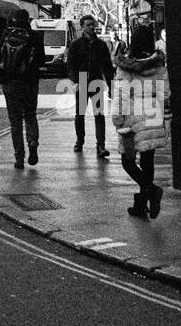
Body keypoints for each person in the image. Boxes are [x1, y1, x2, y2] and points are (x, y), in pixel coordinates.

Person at [111, 22, 168, 219]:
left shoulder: (125, 66)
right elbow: (165, 92)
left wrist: (118, 120)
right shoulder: (158, 64)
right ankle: (141, 204)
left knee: (127, 161)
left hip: (132, 118)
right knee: (147, 160)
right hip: (153, 114)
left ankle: (151, 191)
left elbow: (120, 96)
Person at [0, 9, 46, 169]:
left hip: (11, 84)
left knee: (15, 122)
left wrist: (4, 81)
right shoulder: (36, 36)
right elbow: (42, 60)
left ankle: (19, 158)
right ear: (29, 20)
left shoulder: (6, 35)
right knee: (30, 115)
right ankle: (32, 142)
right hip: (30, 84)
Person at [65, 14, 115, 158]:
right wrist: (75, 81)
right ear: (82, 27)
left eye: (93, 25)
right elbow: (70, 65)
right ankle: (80, 141)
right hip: (81, 80)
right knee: (80, 114)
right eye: (88, 25)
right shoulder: (76, 44)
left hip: (96, 81)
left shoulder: (101, 45)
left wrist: (111, 86)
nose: (92, 27)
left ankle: (101, 146)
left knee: (99, 114)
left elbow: (107, 67)